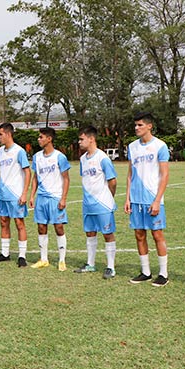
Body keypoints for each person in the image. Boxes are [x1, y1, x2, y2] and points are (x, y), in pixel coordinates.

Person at [125, 112, 170, 287]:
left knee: (157, 234)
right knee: (139, 234)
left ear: (149, 126)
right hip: (136, 199)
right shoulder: (132, 147)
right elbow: (130, 174)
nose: (136, 128)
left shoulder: (160, 146)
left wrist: (158, 200)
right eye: (135, 125)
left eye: (140, 125)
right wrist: (128, 198)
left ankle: (163, 274)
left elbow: (164, 174)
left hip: (152, 198)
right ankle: (145, 272)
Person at [73, 127, 118, 279]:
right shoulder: (82, 159)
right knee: (90, 233)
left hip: (103, 204)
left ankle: (110, 267)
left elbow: (112, 181)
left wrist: (108, 197)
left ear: (91, 139)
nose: (79, 142)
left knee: (107, 234)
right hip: (88, 204)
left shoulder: (103, 158)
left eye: (81, 139)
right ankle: (90, 264)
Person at [29, 127, 70, 271]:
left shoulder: (60, 157)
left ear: (49, 139)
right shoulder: (37, 157)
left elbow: (66, 179)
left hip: (55, 197)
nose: (38, 139)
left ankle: (62, 260)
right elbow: (35, 177)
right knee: (41, 227)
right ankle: (44, 259)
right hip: (41, 197)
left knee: (58, 227)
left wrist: (63, 198)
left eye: (41, 137)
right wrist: (32, 195)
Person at [0, 123, 31, 267]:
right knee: (3, 222)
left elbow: (27, 172)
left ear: (8, 134)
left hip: (15, 193)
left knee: (19, 223)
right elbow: (1, 172)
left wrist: (24, 193)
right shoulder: (1, 151)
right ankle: (5, 253)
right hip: (2, 193)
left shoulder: (19, 151)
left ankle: (22, 256)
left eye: (0, 134)